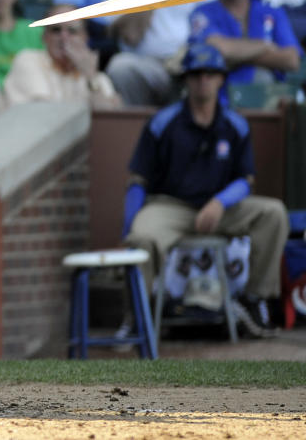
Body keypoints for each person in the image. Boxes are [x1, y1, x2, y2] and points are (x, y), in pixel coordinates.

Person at [122, 43, 289, 338]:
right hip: (170, 206)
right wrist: (129, 227)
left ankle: (254, 300)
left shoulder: (235, 124)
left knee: (273, 213)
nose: (203, 80)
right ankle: (137, 314)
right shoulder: (163, 122)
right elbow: (138, 181)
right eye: (197, 74)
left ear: (221, 78)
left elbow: (245, 180)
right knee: (141, 237)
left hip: (219, 208)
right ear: (186, 78)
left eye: (210, 74)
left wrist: (220, 202)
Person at [188, 0, 301, 86]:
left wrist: (235, 57)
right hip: (219, 96)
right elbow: (216, 49)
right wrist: (265, 46)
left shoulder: (271, 11)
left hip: (267, 98)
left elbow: (291, 59)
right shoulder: (203, 12)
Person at [4, 5, 121, 108]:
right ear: (44, 36)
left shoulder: (97, 77)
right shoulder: (28, 60)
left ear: (85, 38)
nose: (64, 37)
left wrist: (91, 78)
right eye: (56, 30)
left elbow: (108, 122)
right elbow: (43, 112)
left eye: (72, 31)